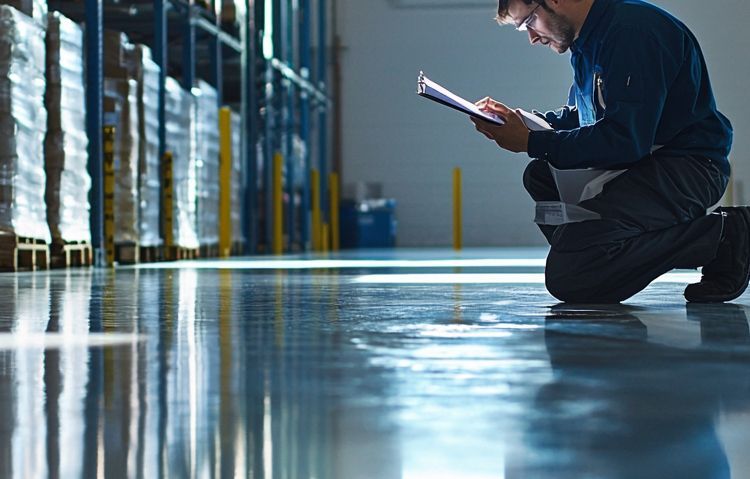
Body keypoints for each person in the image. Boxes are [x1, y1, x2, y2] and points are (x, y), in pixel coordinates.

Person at [470, 0, 750, 303]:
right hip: (645, 161)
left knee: (570, 277)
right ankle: (594, 249)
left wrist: (530, 142)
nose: (532, 37)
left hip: (688, 165)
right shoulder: (587, 41)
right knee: (540, 176)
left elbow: (625, 140)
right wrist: (521, 122)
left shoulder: (633, 32)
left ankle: (725, 236)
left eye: (529, 22)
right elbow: (584, 116)